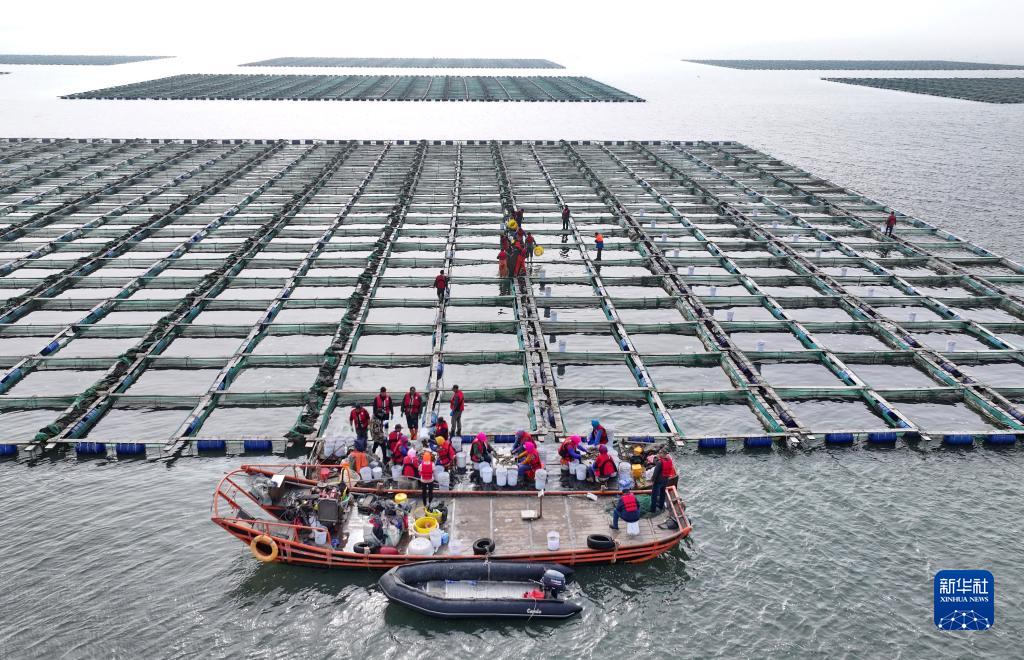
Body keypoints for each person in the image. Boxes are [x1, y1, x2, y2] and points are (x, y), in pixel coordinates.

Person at [649, 447, 677, 513]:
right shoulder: (669, 460)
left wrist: (652, 479)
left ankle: (652, 510)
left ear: (663, 454)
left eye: (660, 453)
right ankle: (661, 506)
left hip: (658, 481)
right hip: (665, 480)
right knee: (662, 493)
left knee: (654, 495)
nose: (659, 454)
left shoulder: (660, 462)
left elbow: (655, 473)